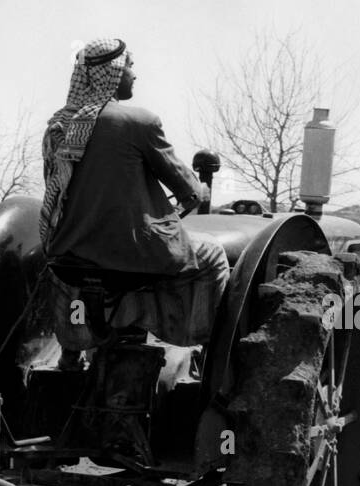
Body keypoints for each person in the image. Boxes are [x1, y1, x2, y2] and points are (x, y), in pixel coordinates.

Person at [41, 38, 229, 356]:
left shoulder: (60, 125)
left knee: (68, 277)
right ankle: (209, 343)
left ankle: (72, 355)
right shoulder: (139, 123)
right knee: (212, 255)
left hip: (71, 253)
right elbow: (189, 191)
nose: (134, 75)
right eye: (130, 66)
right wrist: (201, 190)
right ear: (113, 73)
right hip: (135, 253)